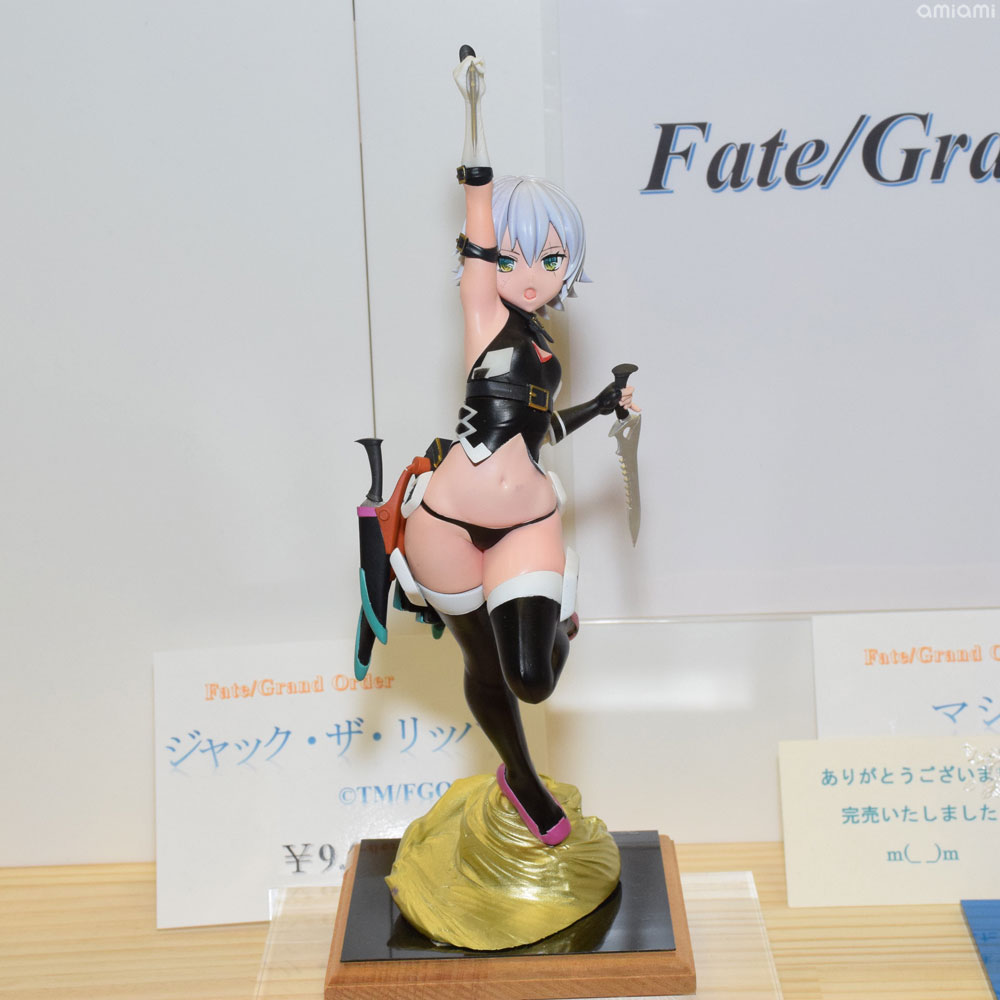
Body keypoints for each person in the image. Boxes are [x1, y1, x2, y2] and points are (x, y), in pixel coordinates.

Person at [400, 51, 638, 846]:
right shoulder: (483, 318)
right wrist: (475, 140)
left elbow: (537, 435)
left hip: (527, 520)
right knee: (483, 665)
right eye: (512, 256)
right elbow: (476, 228)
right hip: (445, 523)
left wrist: (603, 404)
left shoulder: (542, 345)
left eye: (551, 258)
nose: (531, 274)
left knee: (532, 678)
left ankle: (557, 616)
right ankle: (524, 779)